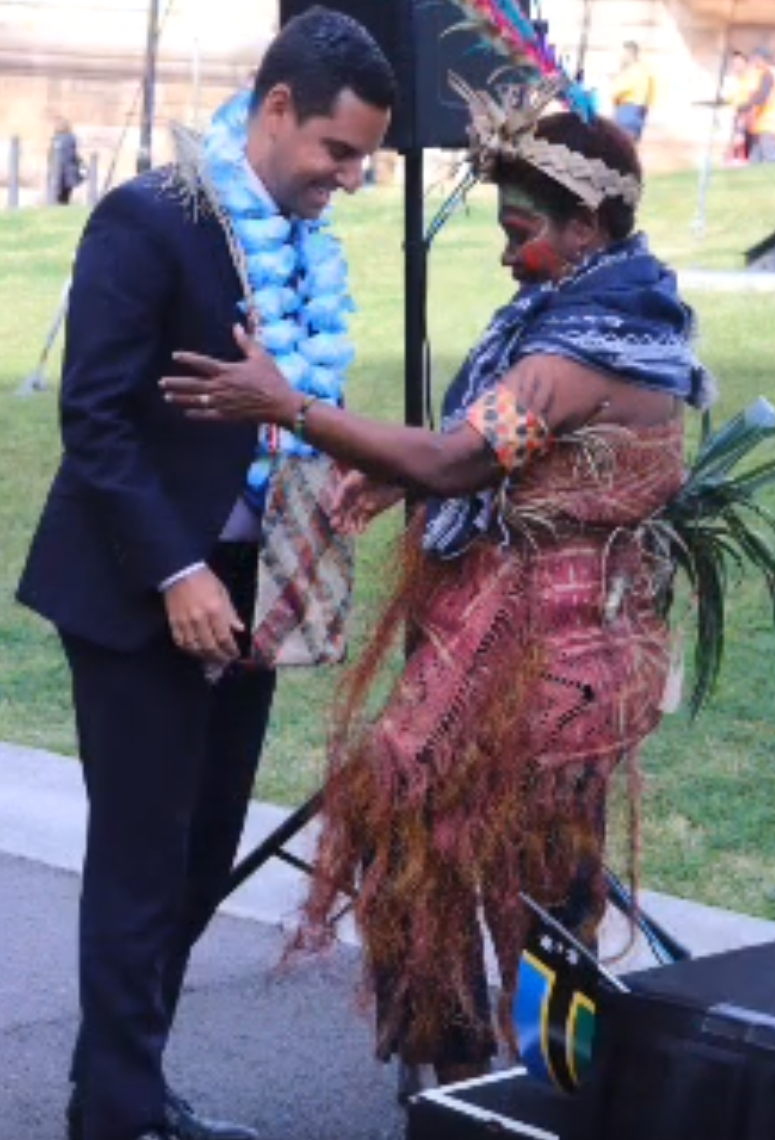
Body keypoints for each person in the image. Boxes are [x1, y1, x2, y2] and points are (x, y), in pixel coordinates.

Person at [161, 89, 717, 1088]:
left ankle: (540, 1090)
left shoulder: (584, 351)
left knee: (534, 884)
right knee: (432, 838)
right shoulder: (589, 315)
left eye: (522, 231)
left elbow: (463, 461)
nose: (509, 254)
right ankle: (463, 1084)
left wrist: (291, 406)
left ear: (587, 225)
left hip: (549, 660)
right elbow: (489, 459)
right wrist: (393, 471)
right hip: (519, 636)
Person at [17, 8, 394, 1140]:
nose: (352, 177)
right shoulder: (151, 218)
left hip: (252, 590)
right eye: (339, 150)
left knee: (203, 854)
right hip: (144, 592)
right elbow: (97, 422)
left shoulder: (291, 238)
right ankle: (120, 1118)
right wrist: (179, 569)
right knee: (143, 860)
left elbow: (271, 412)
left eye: (366, 158)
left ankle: (120, 1089)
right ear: (276, 109)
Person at [611, 41, 654, 143]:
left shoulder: (631, 71)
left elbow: (618, 90)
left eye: (624, 54)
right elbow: (650, 92)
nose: (621, 57)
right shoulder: (644, 70)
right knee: (631, 144)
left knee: (621, 143)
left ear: (630, 54)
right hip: (638, 110)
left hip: (627, 109)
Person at [722, 50, 758, 163]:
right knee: (739, 140)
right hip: (739, 113)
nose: (736, 66)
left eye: (739, 63)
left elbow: (753, 96)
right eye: (734, 63)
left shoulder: (751, 77)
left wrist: (750, 115)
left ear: (745, 63)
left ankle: (733, 159)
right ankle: (735, 160)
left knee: (741, 141)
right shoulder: (737, 80)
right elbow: (733, 97)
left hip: (747, 113)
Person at [51, 117, 86, 204]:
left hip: (58, 170)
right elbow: (72, 154)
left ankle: (59, 207)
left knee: (59, 195)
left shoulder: (55, 139)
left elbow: (51, 156)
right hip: (68, 170)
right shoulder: (71, 138)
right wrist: (81, 162)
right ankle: (63, 206)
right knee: (66, 195)